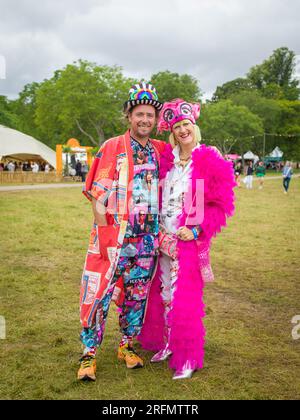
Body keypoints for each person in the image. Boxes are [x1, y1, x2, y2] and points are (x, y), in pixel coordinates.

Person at [138, 99, 235, 379]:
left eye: (186, 124)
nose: (183, 130)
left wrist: (195, 229)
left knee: (186, 298)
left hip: (188, 241)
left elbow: (220, 205)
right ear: (172, 131)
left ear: (195, 127)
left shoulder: (209, 160)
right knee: (164, 292)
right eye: (177, 126)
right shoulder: (167, 160)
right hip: (162, 237)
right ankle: (169, 344)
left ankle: (188, 356)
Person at [77, 82, 165, 381]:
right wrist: (104, 237)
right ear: (129, 116)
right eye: (139, 114)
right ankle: (88, 354)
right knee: (99, 293)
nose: (145, 120)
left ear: (156, 119)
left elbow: (187, 156)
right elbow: (97, 195)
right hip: (114, 236)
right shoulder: (113, 146)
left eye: (150, 115)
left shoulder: (159, 150)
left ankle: (126, 346)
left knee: (137, 295)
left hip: (146, 241)